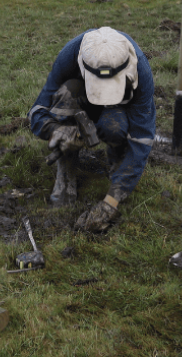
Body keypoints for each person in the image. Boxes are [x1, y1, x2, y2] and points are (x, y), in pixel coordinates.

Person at [27, 27, 155, 233]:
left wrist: (111, 201)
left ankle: (119, 169)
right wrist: (55, 130)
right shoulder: (70, 55)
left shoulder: (140, 69)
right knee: (66, 92)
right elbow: (37, 111)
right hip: (81, 97)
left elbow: (141, 139)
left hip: (117, 109)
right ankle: (66, 171)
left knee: (115, 128)